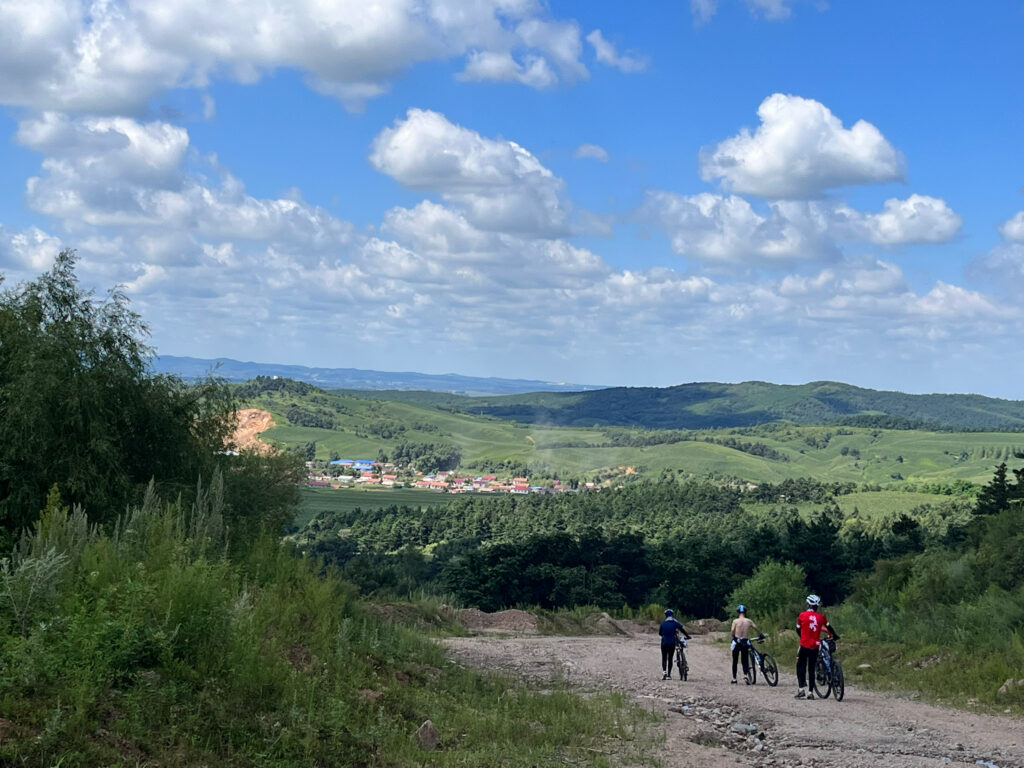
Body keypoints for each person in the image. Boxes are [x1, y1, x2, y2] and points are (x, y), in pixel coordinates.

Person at [794, 594, 839, 699]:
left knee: (800, 666)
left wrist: (802, 636)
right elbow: (829, 627)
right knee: (811, 668)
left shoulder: (802, 615)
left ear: (808, 604)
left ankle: (801, 689)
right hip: (815, 645)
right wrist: (835, 635)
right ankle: (810, 692)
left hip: (804, 644)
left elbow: (797, 629)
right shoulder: (821, 617)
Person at [730, 604, 760, 684]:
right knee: (745, 659)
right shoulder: (749, 621)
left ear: (738, 612)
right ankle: (745, 675)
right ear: (745, 612)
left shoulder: (735, 621)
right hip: (745, 641)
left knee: (735, 660)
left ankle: (734, 679)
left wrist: (733, 636)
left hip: (737, 641)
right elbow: (756, 628)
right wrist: (760, 634)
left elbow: (732, 630)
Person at [659, 609, 691, 680]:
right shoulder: (675, 623)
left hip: (664, 643)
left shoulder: (663, 623)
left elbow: (660, 633)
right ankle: (669, 675)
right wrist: (687, 636)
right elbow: (682, 630)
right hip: (672, 643)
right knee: (670, 658)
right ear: (672, 615)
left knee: (664, 658)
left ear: (666, 615)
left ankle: (664, 672)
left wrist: (665, 635)